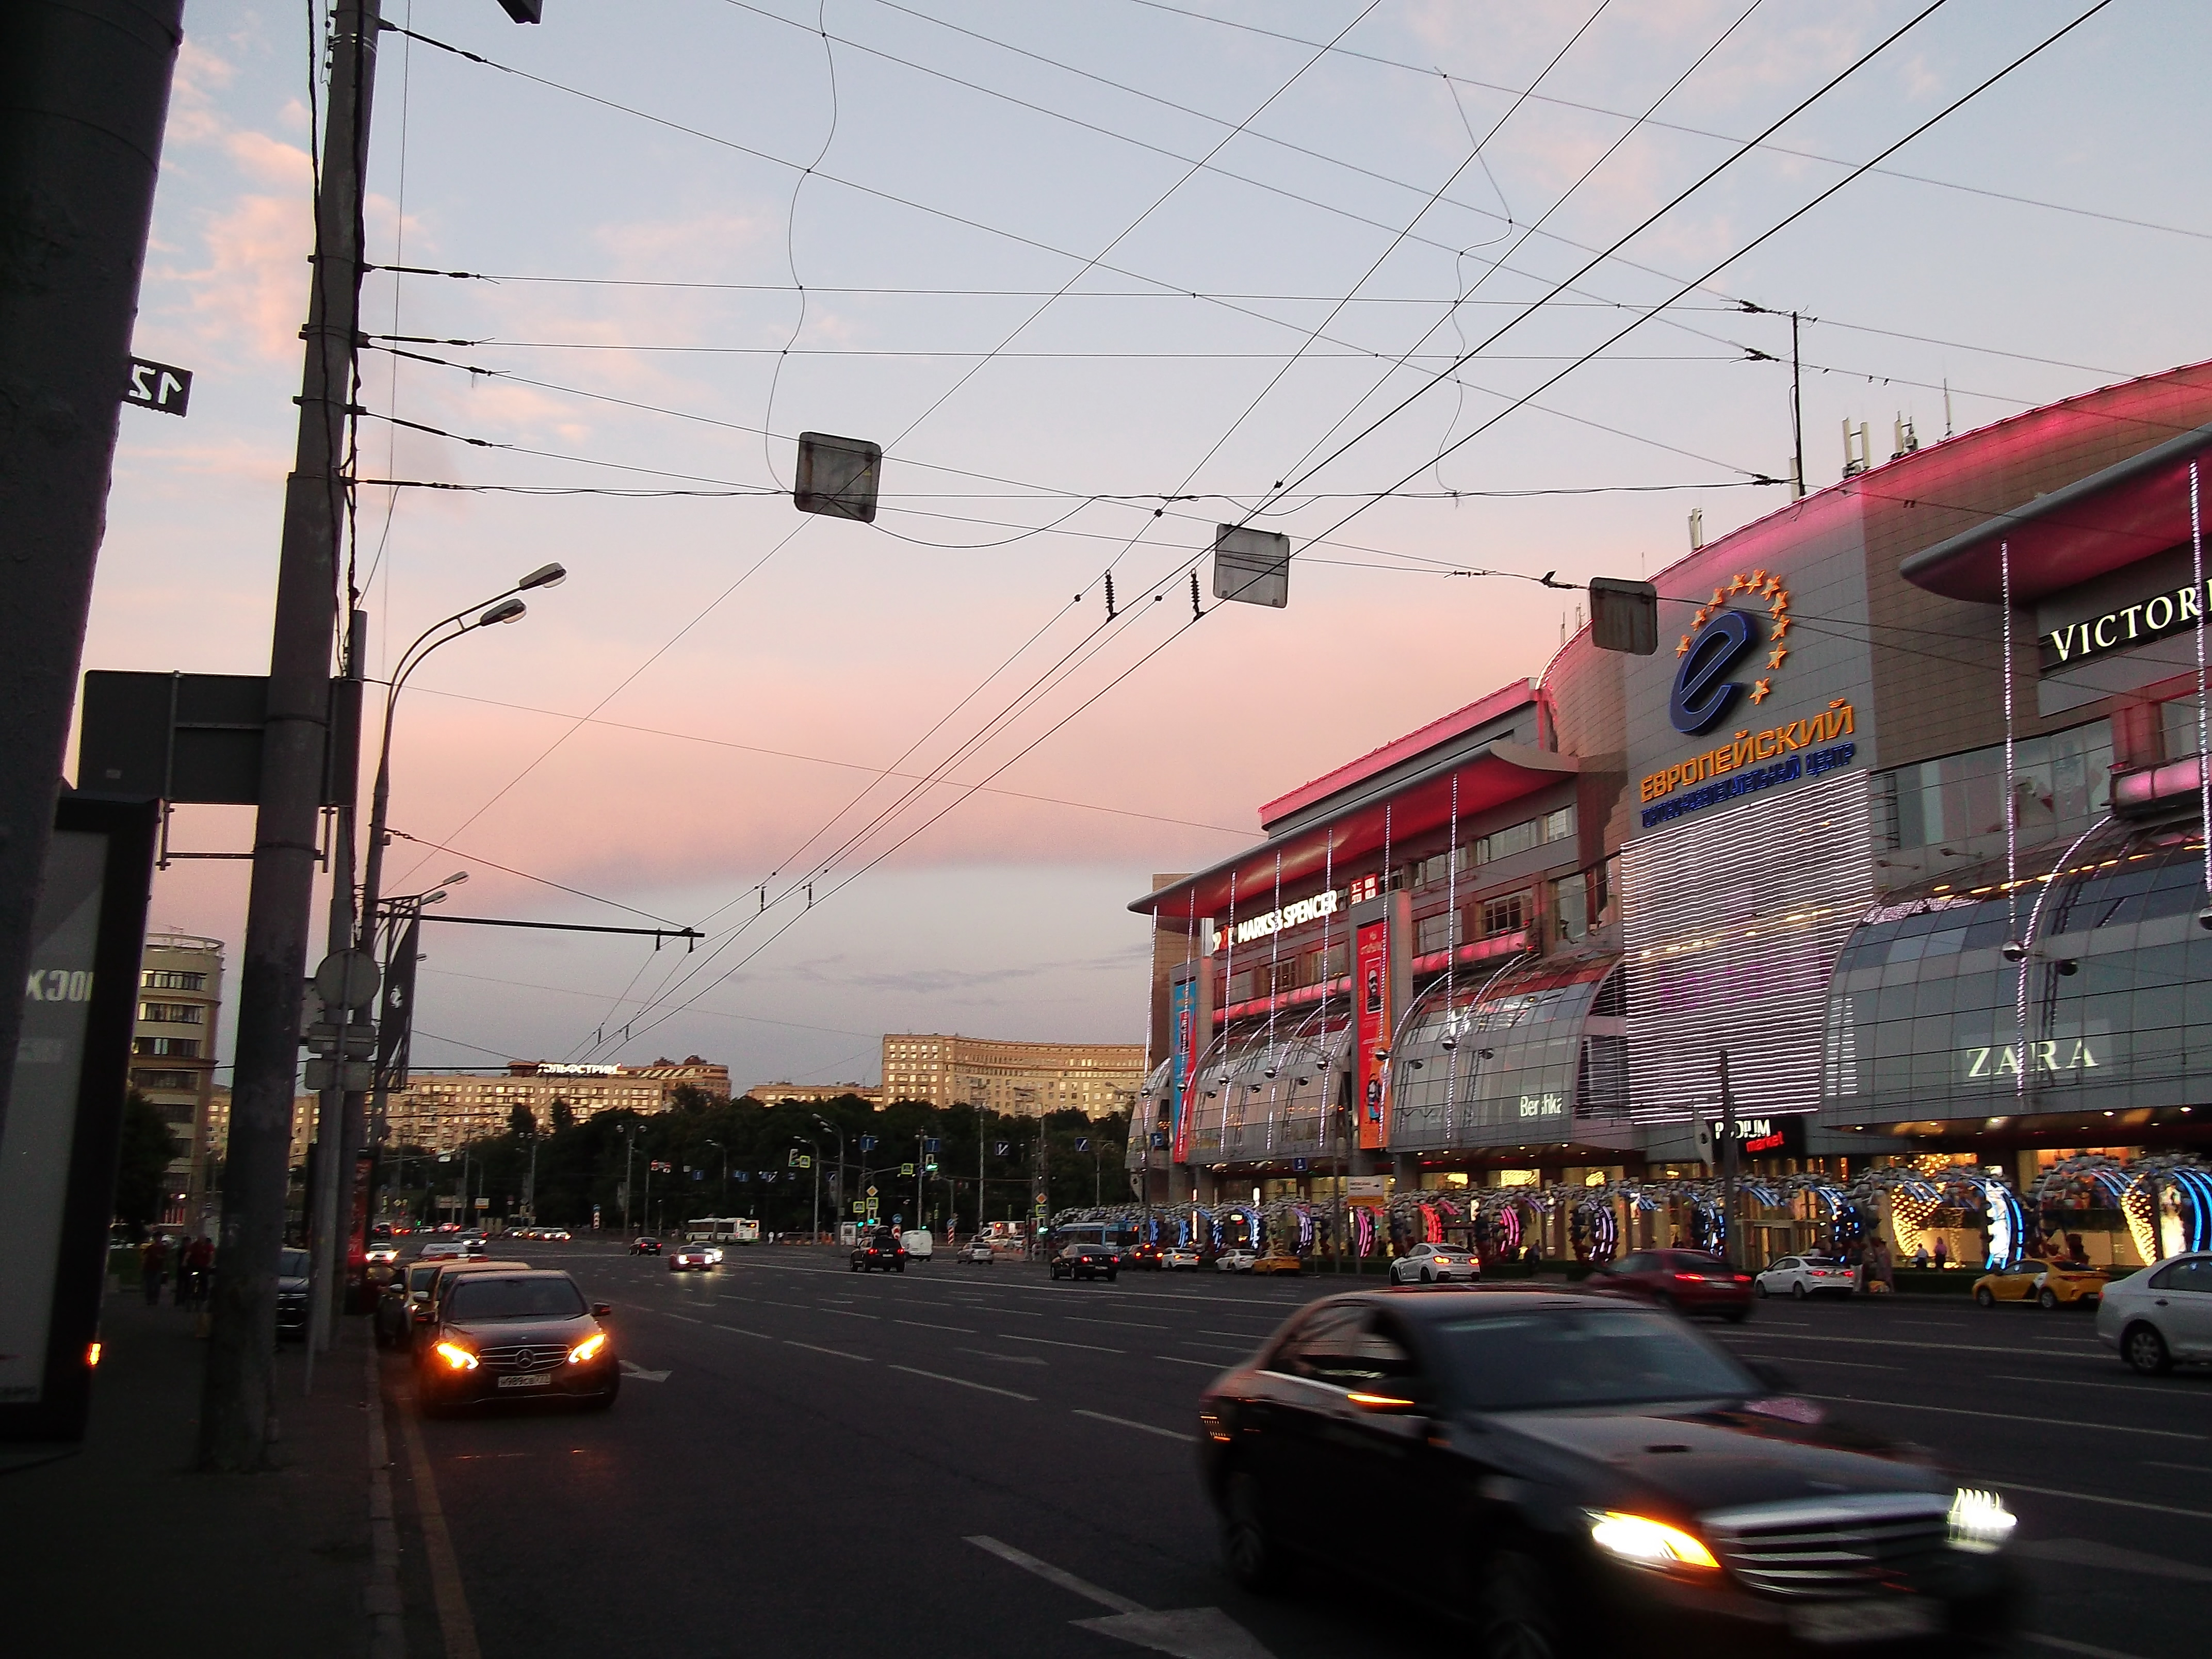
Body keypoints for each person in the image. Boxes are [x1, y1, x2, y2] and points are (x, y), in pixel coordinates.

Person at [140, 1235, 168, 1306]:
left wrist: (162, 1258)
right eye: (157, 1238)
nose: (158, 1239)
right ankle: (149, 1299)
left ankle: (155, 1299)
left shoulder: (163, 1248)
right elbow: (145, 1256)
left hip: (158, 1268)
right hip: (149, 1268)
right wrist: (143, 1264)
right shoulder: (151, 1248)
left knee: (157, 1284)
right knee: (149, 1285)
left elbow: (166, 1257)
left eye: (159, 1238)